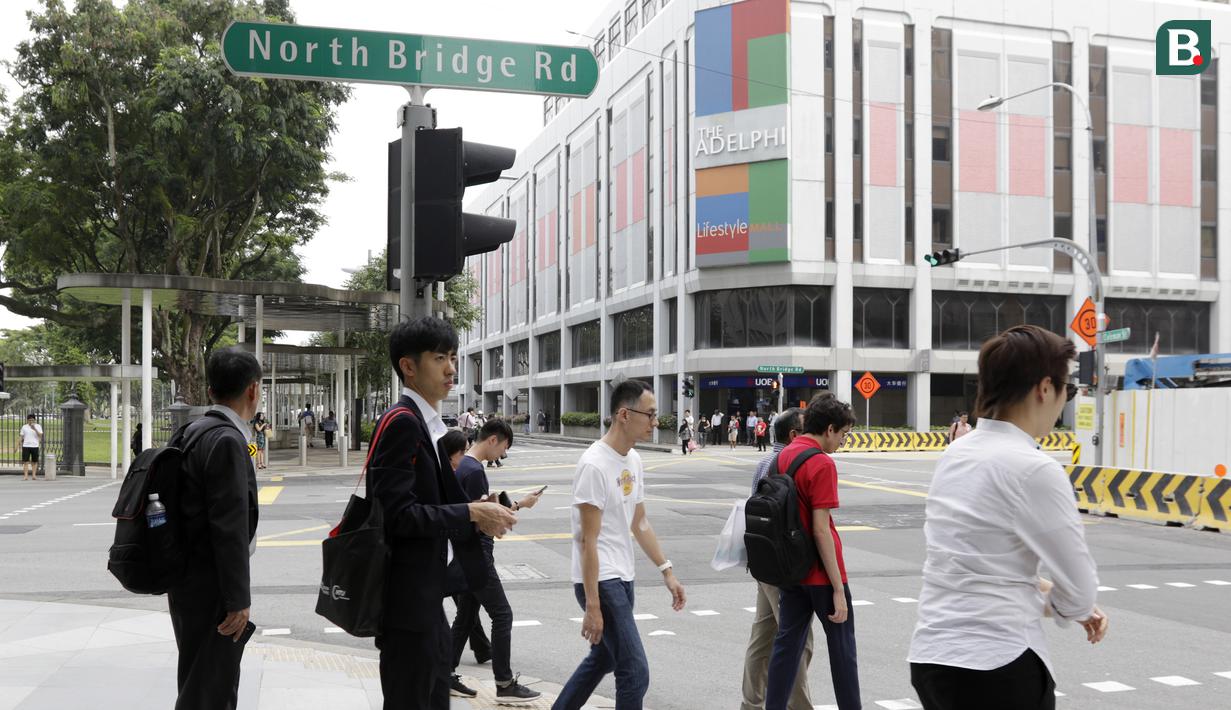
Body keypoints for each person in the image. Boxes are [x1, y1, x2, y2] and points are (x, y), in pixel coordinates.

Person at [909, 325, 1106, 710]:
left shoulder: (957, 454)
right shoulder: (1035, 469)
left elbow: (979, 563)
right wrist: (1075, 607)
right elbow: (1080, 592)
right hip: (998, 664)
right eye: (1066, 388)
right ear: (1045, 388)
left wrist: (1054, 596)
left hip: (933, 658)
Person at [370, 317, 517, 710]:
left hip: (426, 599)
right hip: (408, 605)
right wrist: (469, 513)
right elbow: (398, 516)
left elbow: (429, 506)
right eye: (439, 358)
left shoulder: (426, 425)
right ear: (409, 366)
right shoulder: (403, 423)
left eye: (453, 357)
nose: (452, 368)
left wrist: (482, 512)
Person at [553, 379, 687, 710]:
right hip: (601, 581)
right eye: (651, 414)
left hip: (622, 577)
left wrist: (666, 570)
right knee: (635, 671)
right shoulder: (594, 464)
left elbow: (639, 522)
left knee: (603, 659)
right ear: (624, 414)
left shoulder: (633, 460)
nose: (655, 422)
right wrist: (593, 605)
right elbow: (588, 540)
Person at [167, 348, 262, 710]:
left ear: (210, 391)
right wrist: (238, 600)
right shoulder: (227, 441)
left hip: (187, 581)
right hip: (214, 589)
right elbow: (229, 526)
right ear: (253, 390)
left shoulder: (191, 431)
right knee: (213, 690)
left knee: (197, 678)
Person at [764, 392, 859, 710]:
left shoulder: (782, 456)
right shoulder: (821, 463)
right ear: (829, 429)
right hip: (821, 573)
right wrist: (837, 588)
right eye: (844, 434)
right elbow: (821, 529)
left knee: (786, 647)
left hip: (791, 571)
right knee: (843, 651)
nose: (843, 441)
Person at [449, 418, 545, 702]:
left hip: (465, 552)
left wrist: (510, 505)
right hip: (477, 553)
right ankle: (504, 684)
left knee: (465, 617)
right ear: (493, 440)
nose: (502, 454)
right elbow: (484, 518)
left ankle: (444, 672)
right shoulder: (475, 470)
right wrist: (515, 509)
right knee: (502, 615)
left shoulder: (463, 465)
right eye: (504, 447)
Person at [743, 407, 812, 710]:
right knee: (797, 642)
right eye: (808, 428)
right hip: (783, 567)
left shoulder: (764, 463)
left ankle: (751, 703)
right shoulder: (789, 463)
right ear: (795, 435)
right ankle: (798, 706)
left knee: (763, 636)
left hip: (762, 562)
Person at [19, 414, 43, 481]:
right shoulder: (24, 427)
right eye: (29, 420)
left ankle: (34, 475)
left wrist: (34, 429)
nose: (31, 421)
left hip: (35, 446)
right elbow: (21, 436)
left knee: (34, 462)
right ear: (27, 420)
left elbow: (40, 436)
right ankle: (26, 476)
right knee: (25, 462)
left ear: (34, 420)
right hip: (26, 446)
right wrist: (19, 444)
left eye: (32, 420)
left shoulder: (38, 426)